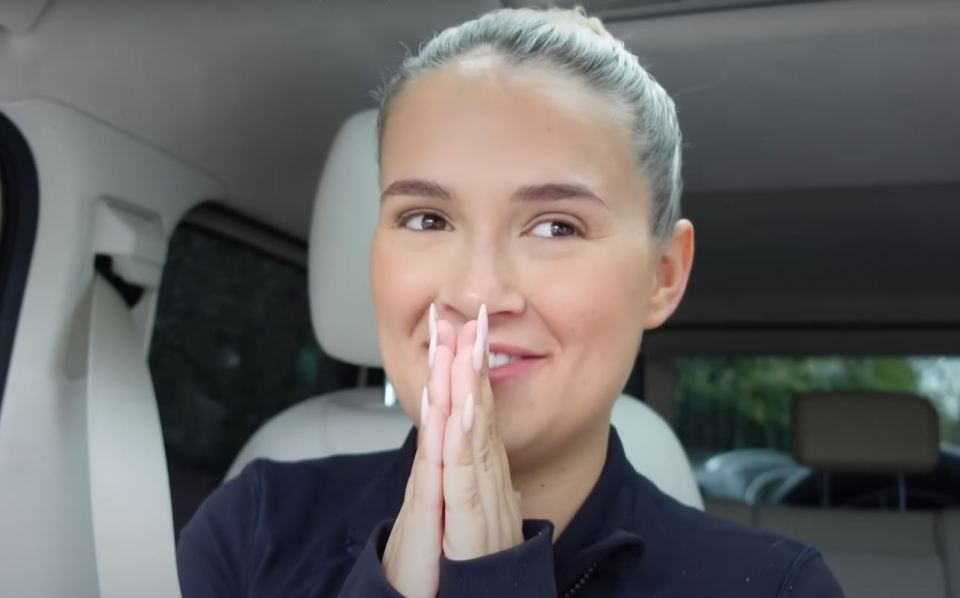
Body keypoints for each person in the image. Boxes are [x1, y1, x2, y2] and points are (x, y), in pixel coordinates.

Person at [177, 7, 845, 597]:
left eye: (557, 226)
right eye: (427, 219)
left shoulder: (778, 588)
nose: (476, 293)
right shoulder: (254, 529)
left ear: (664, 276)